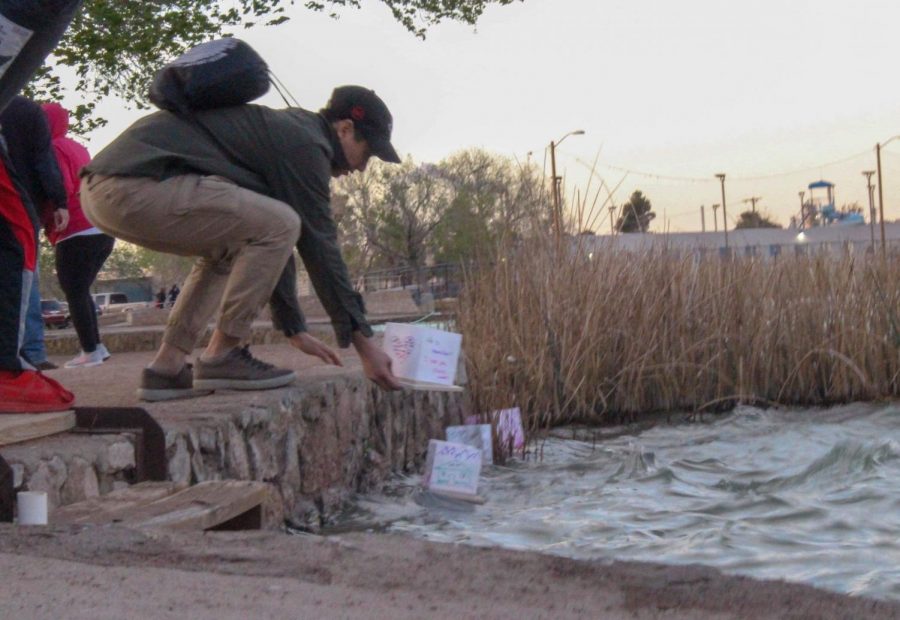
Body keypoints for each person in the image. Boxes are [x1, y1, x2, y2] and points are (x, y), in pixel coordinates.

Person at [80, 85, 403, 401]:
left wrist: (293, 326)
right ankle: (224, 353)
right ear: (345, 129)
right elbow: (319, 246)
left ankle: (166, 367)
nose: (362, 167)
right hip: (134, 186)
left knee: (232, 248)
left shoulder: (287, 135)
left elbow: (272, 247)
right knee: (282, 223)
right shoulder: (306, 144)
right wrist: (365, 345)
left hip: (102, 192)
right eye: (368, 153)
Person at [42, 102, 115, 368]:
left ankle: (89, 350)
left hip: (75, 228)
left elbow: (61, 183)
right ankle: (96, 345)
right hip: (101, 224)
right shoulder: (77, 146)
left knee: (73, 289)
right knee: (80, 289)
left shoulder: (51, 148)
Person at [0, 96, 69, 371]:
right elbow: (43, 157)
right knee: (24, 274)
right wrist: (58, 200)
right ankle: (31, 351)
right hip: (20, 203)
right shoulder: (26, 110)